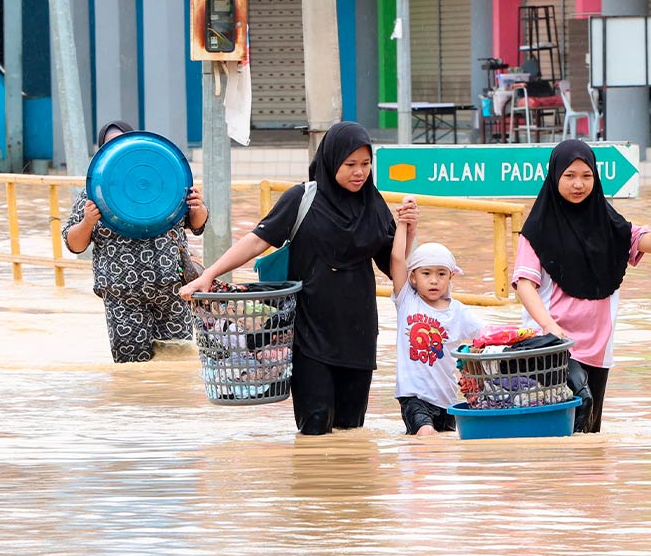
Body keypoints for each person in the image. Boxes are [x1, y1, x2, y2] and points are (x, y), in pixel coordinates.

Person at [179, 122, 396, 436]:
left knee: (351, 431)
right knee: (314, 427)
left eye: (365, 164)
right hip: (308, 333)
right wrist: (209, 275)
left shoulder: (374, 206)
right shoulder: (302, 198)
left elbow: (394, 266)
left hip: (358, 335)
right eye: (350, 164)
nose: (359, 172)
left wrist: (409, 232)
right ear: (332, 160)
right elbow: (257, 241)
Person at [512, 139, 651, 433]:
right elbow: (525, 285)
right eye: (569, 176)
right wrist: (549, 326)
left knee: (589, 431)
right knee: (575, 410)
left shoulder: (610, 224)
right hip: (552, 345)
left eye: (586, 176)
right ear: (555, 176)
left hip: (598, 348)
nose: (579, 184)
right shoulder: (536, 230)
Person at [63, 121, 209, 363]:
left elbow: (197, 225)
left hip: (172, 289)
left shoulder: (167, 183)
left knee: (177, 359)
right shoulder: (94, 193)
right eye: (111, 145)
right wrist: (88, 221)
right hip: (122, 295)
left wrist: (198, 206)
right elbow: (75, 245)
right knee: (131, 366)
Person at [390, 199, 485, 436]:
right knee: (426, 436)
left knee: (444, 448)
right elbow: (397, 258)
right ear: (413, 277)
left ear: (451, 276)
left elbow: (487, 336)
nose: (434, 280)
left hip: (447, 399)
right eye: (426, 273)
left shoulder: (459, 311)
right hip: (414, 397)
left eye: (441, 274)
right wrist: (403, 223)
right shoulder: (407, 300)